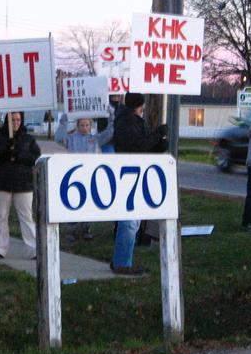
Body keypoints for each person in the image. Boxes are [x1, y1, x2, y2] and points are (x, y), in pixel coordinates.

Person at [110, 92, 168, 275]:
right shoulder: (127, 122)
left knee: (130, 222)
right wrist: (158, 135)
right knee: (129, 221)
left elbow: (144, 146)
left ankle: (121, 259)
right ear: (139, 104)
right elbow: (137, 146)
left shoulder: (129, 120)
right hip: (129, 173)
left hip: (134, 172)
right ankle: (122, 263)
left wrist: (160, 143)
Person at [0, 112, 41, 259]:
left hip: (23, 183)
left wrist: (20, 155)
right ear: (7, 121)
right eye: (12, 120)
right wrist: (4, 149)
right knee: (1, 216)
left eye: (18, 120)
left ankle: (34, 249)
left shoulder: (28, 139)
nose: (15, 123)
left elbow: (35, 156)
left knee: (26, 216)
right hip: (1, 183)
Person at [54, 111, 114, 241]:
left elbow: (109, 134)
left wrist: (111, 118)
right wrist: (63, 122)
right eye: (81, 125)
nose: (84, 128)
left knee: (88, 203)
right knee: (73, 202)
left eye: (87, 125)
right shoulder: (71, 139)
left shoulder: (95, 139)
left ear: (90, 126)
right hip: (74, 176)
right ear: (77, 125)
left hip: (90, 176)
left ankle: (86, 229)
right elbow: (58, 138)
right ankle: (71, 231)